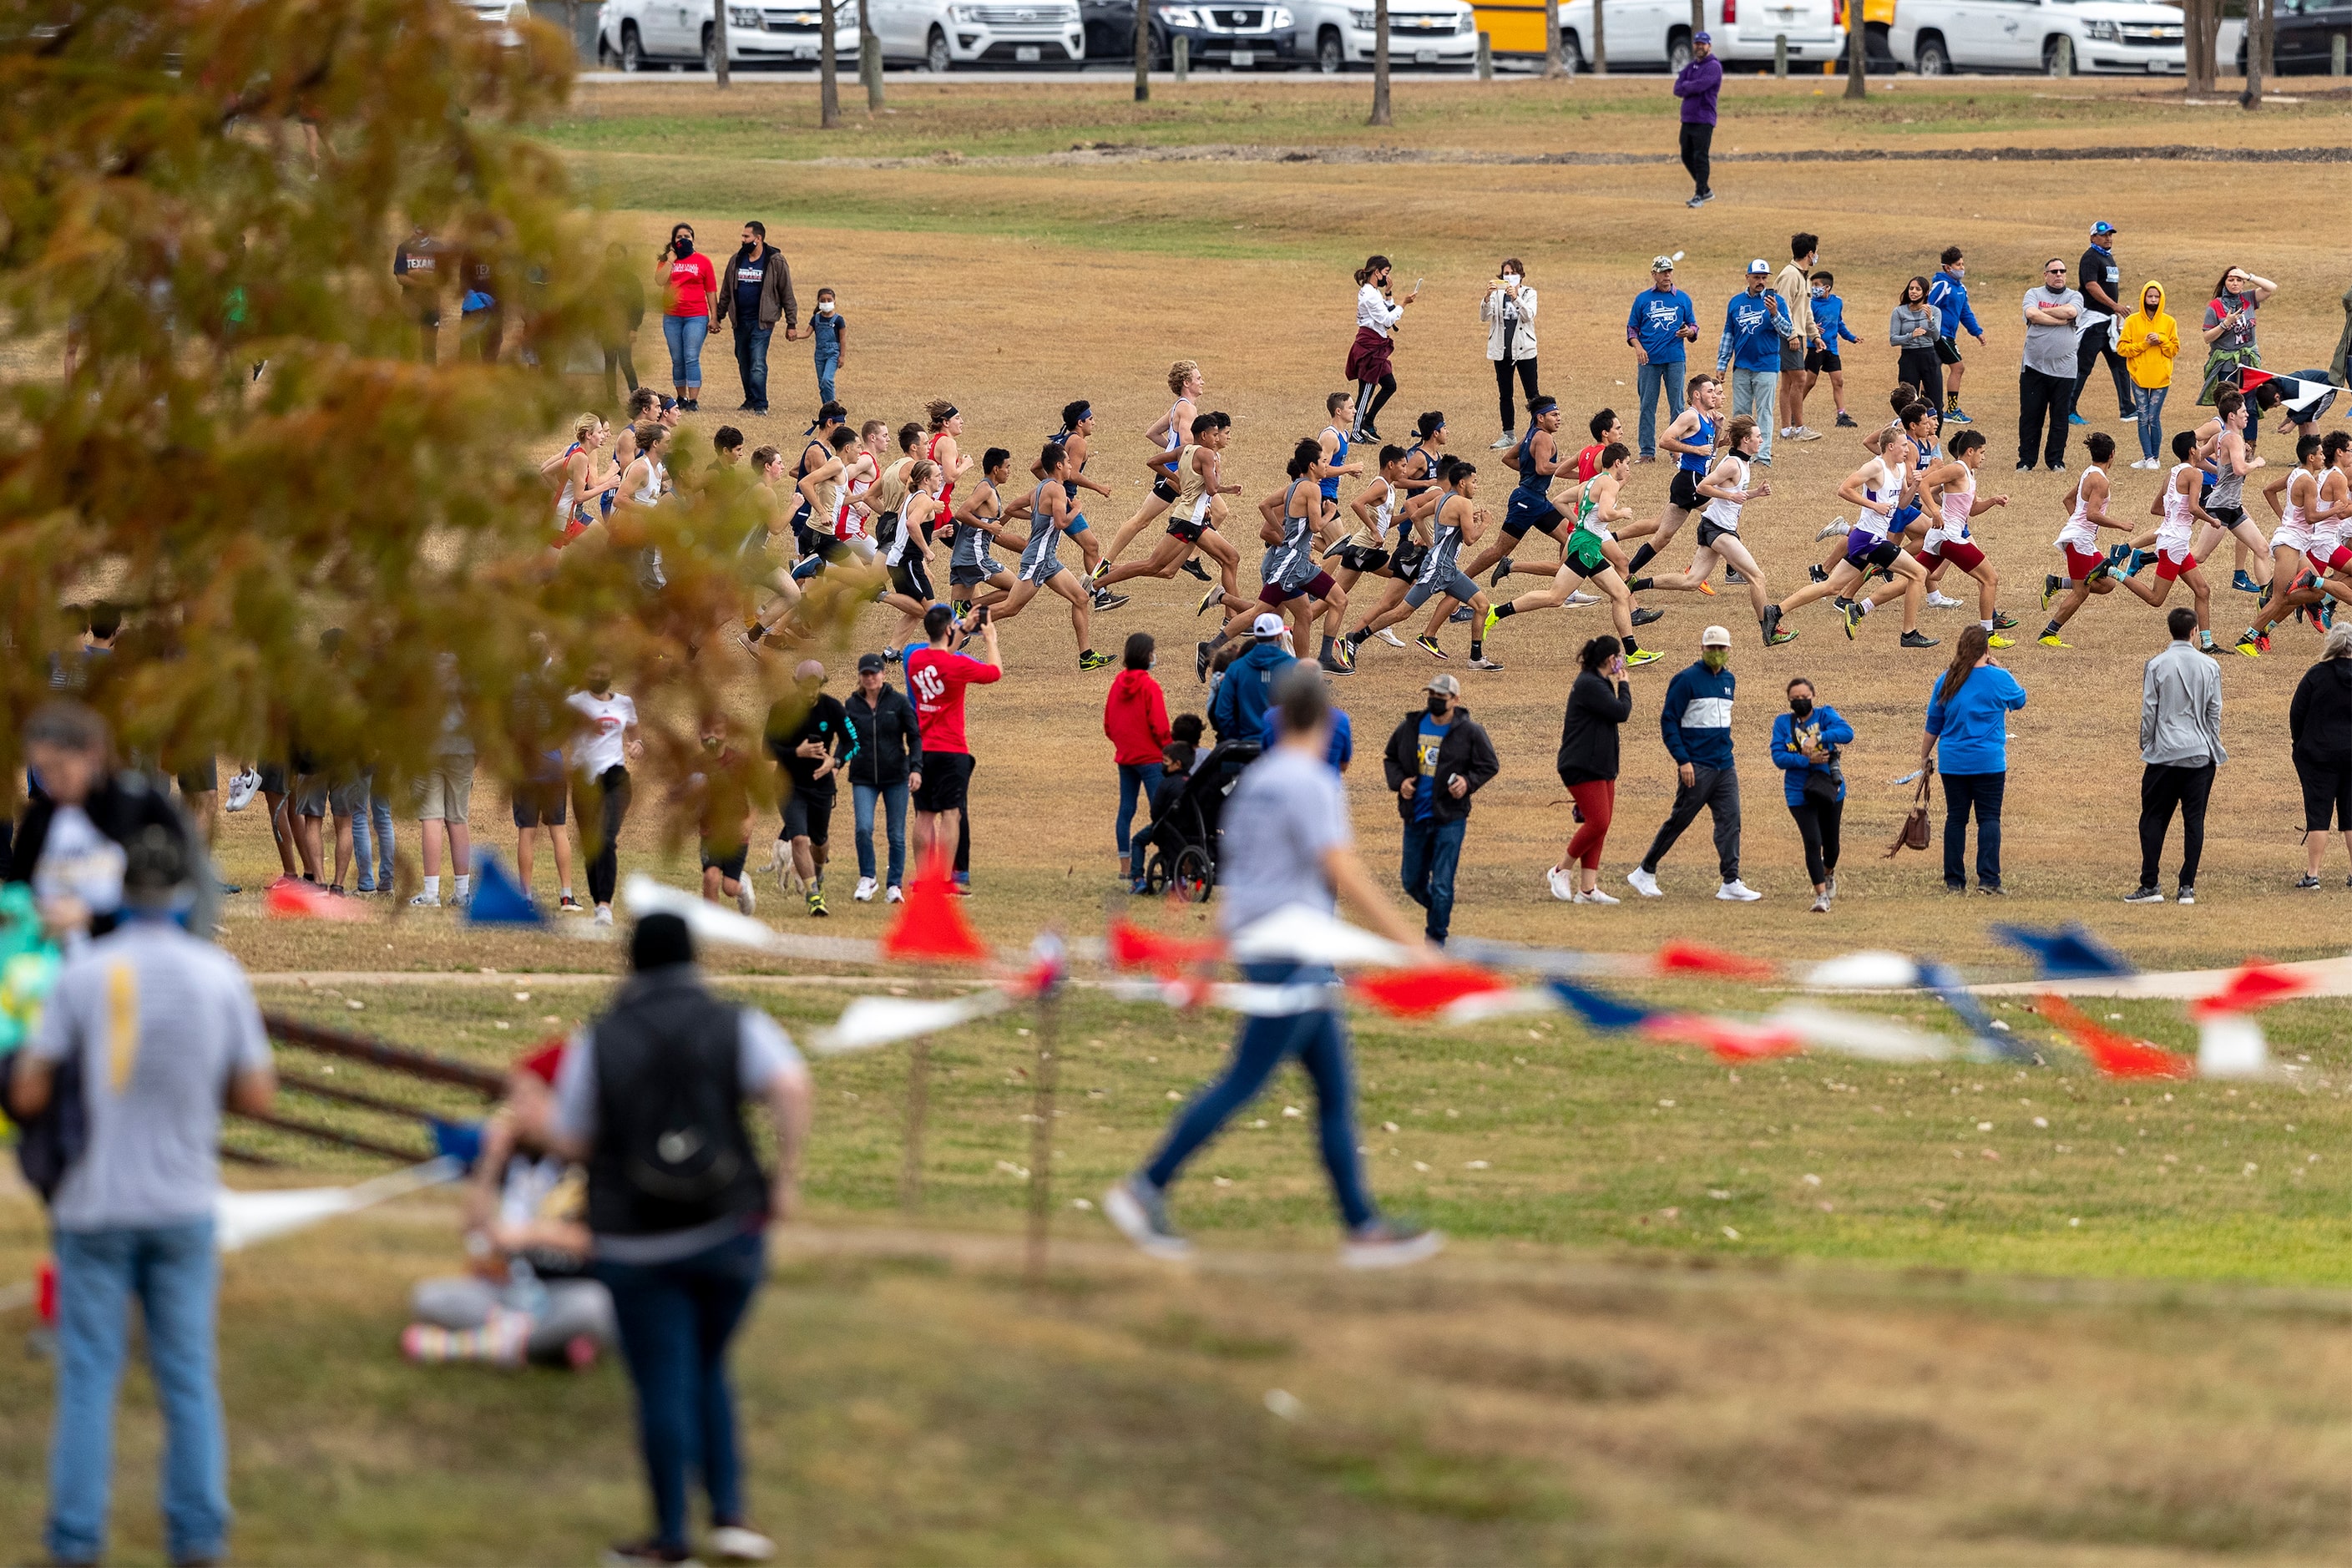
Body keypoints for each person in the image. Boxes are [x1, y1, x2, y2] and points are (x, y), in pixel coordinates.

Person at [1103, 663, 1440, 1269]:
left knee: (1335, 1092)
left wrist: (1205, 969)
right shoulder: (1311, 783)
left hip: (1278, 951)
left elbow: (1239, 884)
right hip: (1290, 958)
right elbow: (1340, 868)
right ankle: (1144, 1186)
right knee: (1244, 1082)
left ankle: (1362, 1227)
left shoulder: (1256, 783)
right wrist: (1408, 946)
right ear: (1324, 719)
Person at [9, 823, 274, 1568]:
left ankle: (75, 1539)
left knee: (89, 1376)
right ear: (187, 894)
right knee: (187, 1374)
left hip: (96, 1201)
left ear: (121, 895)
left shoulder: (86, 973)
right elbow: (257, 1091)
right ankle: (198, 1535)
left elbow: (29, 1088)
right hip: (184, 1203)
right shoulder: (217, 974)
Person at [538, 913, 811, 1568]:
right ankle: (730, 1516)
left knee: (664, 1380)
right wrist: (785, 1177)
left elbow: (575, 1138)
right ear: (695, 959)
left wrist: (539, 1126)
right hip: (728, 1228)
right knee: (707, 1364)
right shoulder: (736, 1022)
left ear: (630, 962)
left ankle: (669, 1540)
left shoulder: (597, 1039)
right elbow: (792, 1085)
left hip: (636, 1242)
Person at [402, 1044, 616, 1372]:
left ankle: (474, 1345)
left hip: (570, 1289)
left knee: (597, 1309)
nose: (516, 1110)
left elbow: (603, 1243)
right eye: (513, 1099)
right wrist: (490, 1161)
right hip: (511, 1294)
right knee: (428, 1298)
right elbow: (473, 1229)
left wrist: (533, 1235)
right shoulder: (518, 1159)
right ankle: (549, 1344)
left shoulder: (597, 1161)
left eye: (528, 1098)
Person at [1626, 625, 1758, 903]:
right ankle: (1644, 871)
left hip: (1725, 765)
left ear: (1729, 650)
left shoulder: (1729, 680)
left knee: (1731, 821)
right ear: (1702, 649)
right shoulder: (1685, 680)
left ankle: (1731, 881)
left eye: (1722, 649)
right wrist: (1683, 760)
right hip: (1696, 766)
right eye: (1712, 648)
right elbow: (1669, 722)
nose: (1717, 653)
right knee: (1680, 820)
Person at [1382, 672, 1498, 948]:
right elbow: (1391, 758)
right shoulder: (1411, 727)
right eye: (1431, 695)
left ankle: (1436, 942)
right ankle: (1439, 914)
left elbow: (1489, 765)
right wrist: (1400, 783)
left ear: (1455, 700)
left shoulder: (1470, 732)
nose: (1434, 700)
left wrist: (1467, 782)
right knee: (1411, 881)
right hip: (1416, 816)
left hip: (1450, 817)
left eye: (1440, 697)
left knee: (1443, 884)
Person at [2126, 605, 2223, 906]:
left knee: (2153, 818)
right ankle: (2187, 886)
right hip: (2199, 754)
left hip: (2164, 754)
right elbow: (2214, 711)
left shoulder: (2157, 664)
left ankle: (2150, 883)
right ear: (2195, 631)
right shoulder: (2210, 666)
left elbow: (2149, 710)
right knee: (2194, 821)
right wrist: (2211, 741)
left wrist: (2147, 743)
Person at [1921, 625, 2027, 895]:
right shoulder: (1997, 678)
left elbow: (1934, 723)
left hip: (1953, 761)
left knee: (1956, 819)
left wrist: (1924, 756)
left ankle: (1954, 881)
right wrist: (2000, 668)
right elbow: (2019, 700)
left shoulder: (1947, 678)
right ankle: (1989, 880)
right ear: (1986, 649)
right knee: (1989, 818)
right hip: (1988, 761)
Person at [906, 604, 1000, 888]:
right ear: (948, 629)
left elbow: (941, 654)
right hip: (951, 749)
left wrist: (961, 629)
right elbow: (994, 672)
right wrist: (991, 639)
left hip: (923, 748)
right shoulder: (958, 665)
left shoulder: (914, 658)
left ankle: (924, 878)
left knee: (924, 816)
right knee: (951, 814)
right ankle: (945, 879)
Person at [1551, 635, 1632, 903]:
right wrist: (1625, 685)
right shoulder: (1590, 684)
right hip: (1582, 764)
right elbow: (1621, 712)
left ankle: (1587, 889)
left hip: (1601, 764)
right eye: (1618, 657)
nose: (1620, 661)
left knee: (1599, 826)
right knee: (1598, 822)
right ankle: (1560, 870)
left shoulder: (1598, 682)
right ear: (1610, 659)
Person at [766, 660, 848, 918]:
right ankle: (814, 897)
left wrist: (834, 762)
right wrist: (796, 753)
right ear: (796, 684)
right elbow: (767, 749)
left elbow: (853, 741)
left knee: (819, 843)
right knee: (799, 839)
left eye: (816, 688)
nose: (811, 693)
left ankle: (818, 875)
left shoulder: (833, 708)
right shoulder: (780, 709)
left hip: (821, 787)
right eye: (805, 688)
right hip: (789, 786)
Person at [2036, 432, 2128, 649]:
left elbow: (2068, 499)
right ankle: (2049, 633)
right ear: (2112, 455)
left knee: (2107, 584)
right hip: (2080, 541)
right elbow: (2092, 515)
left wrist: (2077, 527)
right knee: (2082, 591)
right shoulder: (2101, 481)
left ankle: (2056, 583)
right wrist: (2120, 525)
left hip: (2080, 538)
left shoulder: (2089, 472)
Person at [567, 665, 641, 928]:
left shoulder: (624, 703)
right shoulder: (574, 703)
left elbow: (633, 729)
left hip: (615, 778)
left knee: (606, 838)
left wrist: (636, 744)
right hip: (585, 780)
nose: (598, 678)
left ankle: (604, 906)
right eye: (593, 673)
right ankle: (598, 900)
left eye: (602, 673)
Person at [843, 651, 919, 905]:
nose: (870, 678)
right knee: (863, 828)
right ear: (860, 676)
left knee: (895, 834)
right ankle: (868, 877)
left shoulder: (898, 703)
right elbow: (846, 740)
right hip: (863, 776)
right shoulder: (852, 705)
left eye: (874, 673)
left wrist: (916, 768)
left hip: (896, 776)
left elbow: (914, 737)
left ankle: (894, 885)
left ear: (883, 674)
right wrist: (836, 763)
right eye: (865, 674)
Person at [1771, 677, 1851, 915]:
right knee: (1813, 841)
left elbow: (1847, 733)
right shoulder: (1783, 723)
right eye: (1795, 698)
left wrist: (1820, 737)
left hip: (1830, 788)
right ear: (1788, 700)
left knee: (1832, 846)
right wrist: (1807, 759)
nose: (1800, 701)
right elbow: (1778, 757)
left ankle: (1828, 874)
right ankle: (1821, 896)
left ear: (1813, 696)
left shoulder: (1825, 715)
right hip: (1798, 791)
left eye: (1804, 697)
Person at [1105, 631, 1172, 890]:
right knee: (1162, 812)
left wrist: (1123, 744)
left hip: (1126, 757)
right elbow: (1159, 726)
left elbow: (1109, 723)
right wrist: (1168, 750)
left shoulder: (1117, 682)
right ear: (1147, 656)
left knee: (1126, 810)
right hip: (1152, 759)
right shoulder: (1150, 686)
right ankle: (1166, 860)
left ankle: (1125, 866)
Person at [710, 220, 796, 417]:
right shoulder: (737, 260)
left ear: (759, 239)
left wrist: (791, 324)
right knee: (743, 360)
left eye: (746, 237)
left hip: (762, 322)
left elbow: (787, 293)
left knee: (757, 361)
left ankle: (760, 403)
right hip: (740, 320)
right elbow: (726, 292)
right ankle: (749, 398)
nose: (743, 240)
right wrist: (718, 318)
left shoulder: (775, 261)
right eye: (742, 236)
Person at [411, 652, 475, 910]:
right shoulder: (469, 666)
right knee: (458, 819)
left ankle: (430, 893)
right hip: (463, 748)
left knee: (432, 818)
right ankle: (462, 893)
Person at [2289, 622, 2352, 888]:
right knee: (2350, 817)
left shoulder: (2316, 675)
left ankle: (2313, 874)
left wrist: (2299, 744)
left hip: (2318, 756)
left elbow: (2296, 714)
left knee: (2318, 816)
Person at [1718, 259, 1793, 468]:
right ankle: (1740, 455)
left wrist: (1775, 313)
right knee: (1740, 413)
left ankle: (1763, 456)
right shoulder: (1735, 302)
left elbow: (1788, 331)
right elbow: (1729, 334)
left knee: (1765, 412)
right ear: (1747, 277)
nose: (1760, 281)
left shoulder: (1776, 301)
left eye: (1764, 277)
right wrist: (1722, 363)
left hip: (1767, 366)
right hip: (1742, 365)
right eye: (1757, 277)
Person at [1628, 255, 1700, 462]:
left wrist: (1688, 332)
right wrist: (1638, 347)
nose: (1667, 275)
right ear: (1654, 274)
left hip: (1675, 358)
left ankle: (1676, 451)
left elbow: (1693, 326)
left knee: (1677, 406)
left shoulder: (1683, 299)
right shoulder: (1643, 300)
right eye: (1662, 272)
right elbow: (1632, 328)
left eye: (1669, 271)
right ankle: (1647, 452)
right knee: (1647, 405)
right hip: (1649, 361)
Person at [2020, 259, 2085, 473]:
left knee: (2059, 418)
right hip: (2034, 367)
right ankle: (2027, 461)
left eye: (2062, 271)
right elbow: (2031, 314)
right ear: (2045, 275)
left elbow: (2071, 313)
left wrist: (2043, 314)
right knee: (2031, 416)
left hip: (2065, 370)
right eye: (2054, 271)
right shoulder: (2034, 293)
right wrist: (2057, 320)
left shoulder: (2075, 296)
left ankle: (2056, 460)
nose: (2059, 275)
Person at [689, 714, 756, 915]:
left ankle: (742, 886)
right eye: (707, 732)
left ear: (726, 734)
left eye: (718, 732)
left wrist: (750, 820)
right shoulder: (695, 765)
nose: (712, 737)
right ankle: (711, 924)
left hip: (737, 832)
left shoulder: (739, 761)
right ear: (700, 734)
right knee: (710, 877)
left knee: (729, 888)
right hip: (710, 833)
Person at [2072, 220, 2135, 428]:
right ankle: (2068, 409)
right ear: (2092, 237)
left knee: (2120, 364)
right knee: (2083, 367)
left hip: (2108, 323)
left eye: (2110, 234)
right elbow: (2091, 286)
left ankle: (2127, 409)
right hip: (2093, 322)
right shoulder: (2090, 257)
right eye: (2103, 235)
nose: (2108, 238)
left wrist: (2115, 312)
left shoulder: (2108, 257)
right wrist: (2115, 306)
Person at [1348, 255, 1417, 442]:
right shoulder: (1370, 295)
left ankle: (1368, 422)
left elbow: (1385, 315)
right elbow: (1387, 321)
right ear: (1376, 272)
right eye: (1386, 273)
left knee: (1389, 385)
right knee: (1366, 389)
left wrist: (1388, 293)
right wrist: (1403, 304)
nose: (1387, 276)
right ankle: (1356, 431)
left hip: (1375, 343)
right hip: (1370, 345)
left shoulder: (1372, 292)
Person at [655, 222, 717, 413]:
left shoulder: (703, 261)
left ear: (693, 239)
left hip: (696, 316)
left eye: (687, 237)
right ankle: (681, 397)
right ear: (673, 240)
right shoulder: (667, 260)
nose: (683, 240)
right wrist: (671, 260)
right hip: (672, 316)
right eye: (679, 237)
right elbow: (659, 281)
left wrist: (714, 317)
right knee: (677, 359)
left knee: (691, 356)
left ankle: (693, 399)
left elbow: (711, 290)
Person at [2118, 281, 2181, 469]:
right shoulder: (2132, 321)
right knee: (2142, 416)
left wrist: (2161, 340)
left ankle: (2155, 456)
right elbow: (2122, 349)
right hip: (2138, 376)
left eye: (2156, 296)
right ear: (2143, 297)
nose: (2153, 300)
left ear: (2161, 299)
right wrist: (2144, 344)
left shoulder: (2169, 322)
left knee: (2153, 417)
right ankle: (2148, 457)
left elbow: (2174, 350)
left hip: (2161, 378)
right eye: (2150, 296)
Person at [1208, 613, 1296, 741]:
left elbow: (1222, 713)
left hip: (1245, 746)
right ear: (1279, 636)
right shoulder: (1295, 667)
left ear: (1256, 636)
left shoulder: (1235, 668)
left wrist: (1237, 739)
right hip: (1282, 748)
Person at [2200, 266, 2278, 407]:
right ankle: (2230, 431)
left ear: (2243, 283)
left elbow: (2271, 288)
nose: (2235, 283)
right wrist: (2226, 324)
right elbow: (2207, 338)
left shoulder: (2248, 298)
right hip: (2227, 364)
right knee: (2230, 405)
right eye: (2231, 280)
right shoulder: (2215, 306)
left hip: (2249, 361)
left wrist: (2249, 276)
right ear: (2225, 283)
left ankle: (2250, 430)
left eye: (2239, 280)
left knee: (2250, 405)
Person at [1481, 260, 1539, 450]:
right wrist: (1487, 297)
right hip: (1502, 351)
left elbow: (1529, 315)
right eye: (1506, 274)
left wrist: (1516, 298)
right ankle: (1508, 435)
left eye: (1513, 273)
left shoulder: (1529, 293)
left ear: (1521, 275)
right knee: (1505, 394)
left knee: (1532, 394)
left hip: (1525, 351)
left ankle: (1538, 433)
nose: (1509, 277)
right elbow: (1484, 317)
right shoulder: (1497, 295)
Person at [1926, 246, 1985, 424]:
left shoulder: (1961, 288)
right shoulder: (1942, 285)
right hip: (1940, 335)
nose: (1962, 268)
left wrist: (1977, 332)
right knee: (1958, 367)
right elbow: (1928, 306)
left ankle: (1925, 409)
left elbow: (1965, 312)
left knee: (1930, 371)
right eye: (1958, 265)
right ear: (1947, 268)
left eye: (1962, 264)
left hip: (1949, 335)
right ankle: (1951, 410)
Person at [1774, 233, 1823, 444]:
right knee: (1800, 379)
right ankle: (1799, 427)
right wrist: (1791, 334)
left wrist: (1815, 335)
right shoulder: (1790, 275)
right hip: (1789, 336)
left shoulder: (1804, 277)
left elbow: (1806, 310)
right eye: (1816, 252)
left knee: (1788, 381)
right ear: (1810, 253)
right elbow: (1781, 308)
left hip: (1799, 335)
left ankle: (1786, 430)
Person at [1804, 271, 1860, 429]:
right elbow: (1804, 321)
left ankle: (1842, 415)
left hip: (1832, 349)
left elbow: (1839, 323)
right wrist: (1812, 328)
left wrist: (1851, 337)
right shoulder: (1810, 304)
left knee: (1838, 382)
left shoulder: (1837, 302)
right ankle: (1795, 413)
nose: (1813, 288)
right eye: (1812, 285)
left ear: (1827, 287)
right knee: (1809, 382)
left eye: (1817, 285)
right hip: (1815, 347)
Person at [1673, 32, 1720, 208]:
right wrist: (1688, 86)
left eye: (1703, 44)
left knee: (1701, 156)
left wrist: (1688, 86)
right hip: (1688, 118)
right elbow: (1677, 88)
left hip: (1704, 118)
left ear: (1709, 46)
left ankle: (1699, 194)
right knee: (1686, 155)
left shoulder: (1713, 66)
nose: (1700, 47)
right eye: (1697, 44)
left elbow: (1702, 85)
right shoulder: (1691, 67)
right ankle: (1705, 189)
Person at [1892, 275, 1943, 415]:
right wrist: (1911, 336)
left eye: (1918, 289)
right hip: (1909, 357)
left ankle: (1934, 436)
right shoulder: (1899, 312)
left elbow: (1936, 336)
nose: (1913, 292)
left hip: (1929, 356)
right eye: (1911, 288)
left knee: (1935, 402)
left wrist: (1930, 320)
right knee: (1908, 402)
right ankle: (1908, 436)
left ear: (1925, 293)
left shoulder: (1934, 311)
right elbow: (1893, 339)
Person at [393, 222, 444, 363]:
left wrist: (418, 275)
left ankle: (431, 380)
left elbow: (443, 279)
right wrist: (422, 281)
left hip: (431, 303)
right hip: (410, 303)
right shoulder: (404, 248)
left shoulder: (438, 249)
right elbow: (400, 277)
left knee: (429, 347)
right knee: (407, 346)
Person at [808, 286, 843, 403]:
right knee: (821, 383)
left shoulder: (839, 320)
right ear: (818, 302)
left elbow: (843, 339)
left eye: (829, 300)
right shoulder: (816, 319)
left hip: (833, 353)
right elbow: (807, 333)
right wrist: (794, 335)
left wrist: (842, 356)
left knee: (827, 380)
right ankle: (826, 406)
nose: (826, 303)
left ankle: (832, 405)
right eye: (822, 301)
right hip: (819, 353)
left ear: (834, 301)